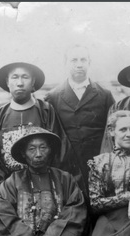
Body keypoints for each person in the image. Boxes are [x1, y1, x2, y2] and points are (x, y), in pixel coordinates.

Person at [0, 60, 84, 188]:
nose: (20, 83)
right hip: (11, 186)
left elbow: (59, 150)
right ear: (7, 82)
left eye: (25, 77)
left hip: (45, 182)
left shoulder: (45, 110)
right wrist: (3, 185)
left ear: (33, 81)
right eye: (15, 77)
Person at [45, 44, 115, 182]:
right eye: (74, 60)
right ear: (65, 63)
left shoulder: (105, 95)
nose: (79, 65)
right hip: (66, 168)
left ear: (89, 63)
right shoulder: (52, 97)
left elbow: (112, 133)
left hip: (98, 165)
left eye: (83, 60)